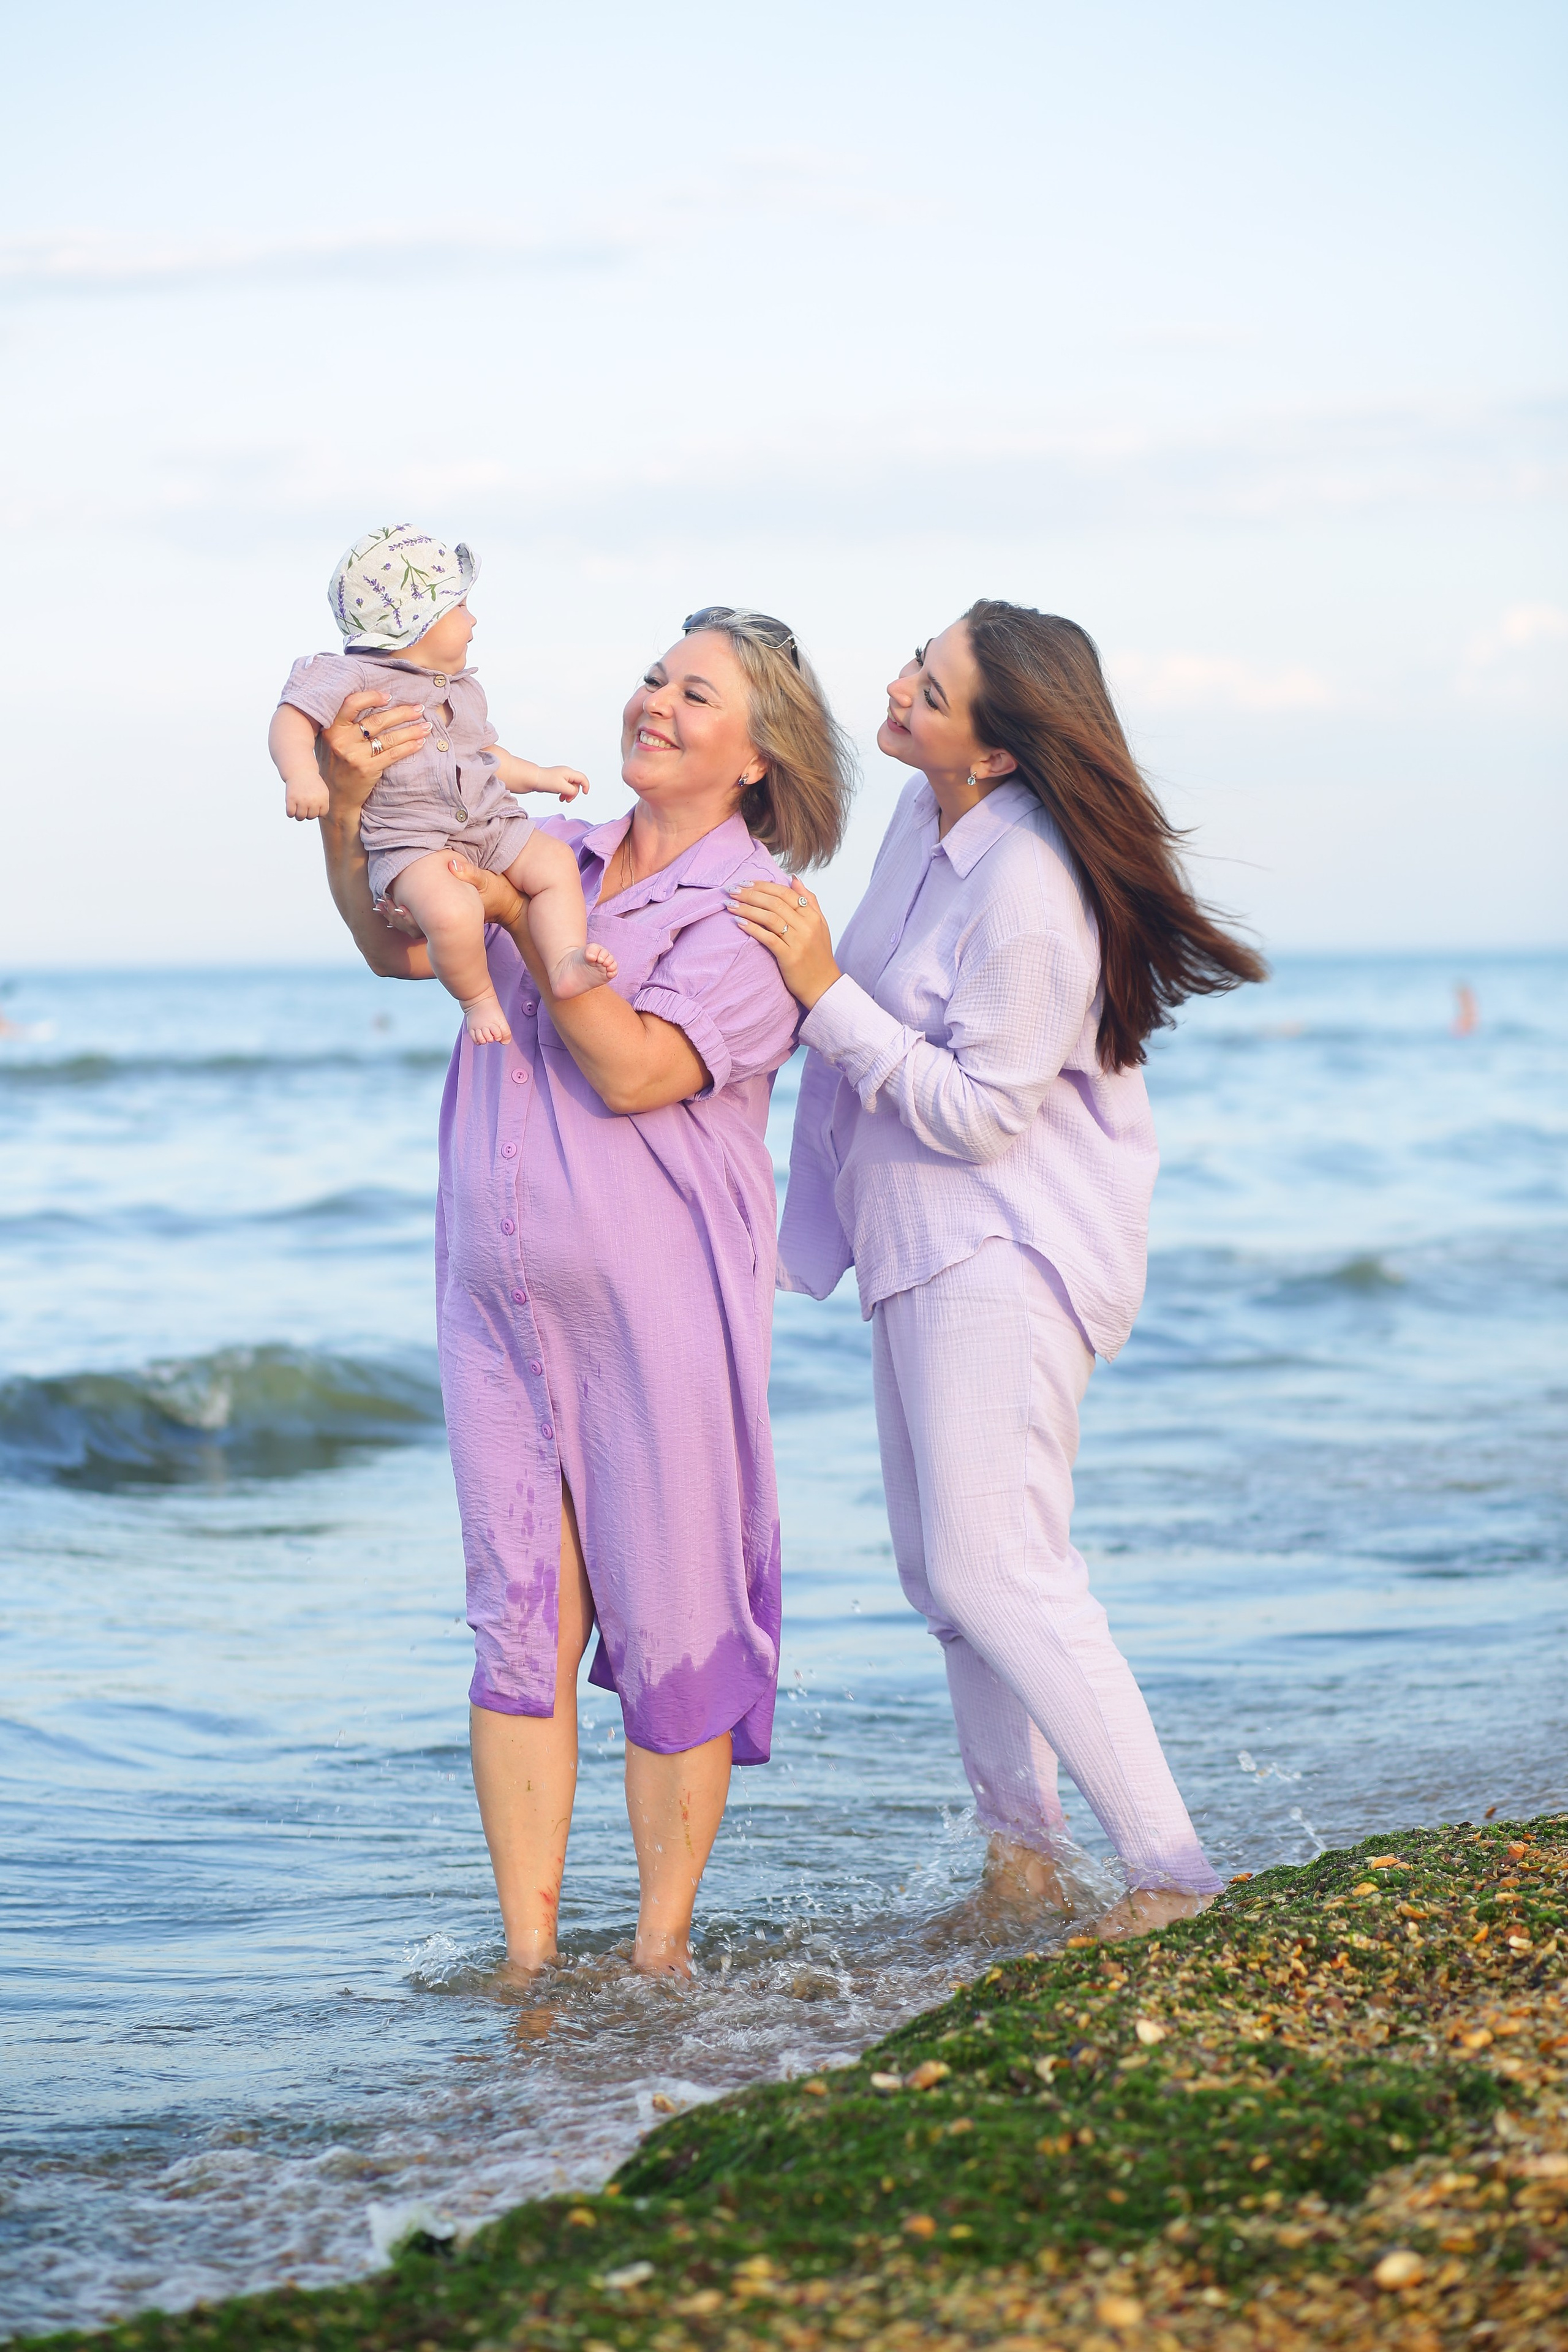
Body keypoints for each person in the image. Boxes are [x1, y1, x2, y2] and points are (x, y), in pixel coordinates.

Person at [316, 606, 853, 1975]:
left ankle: (658, 1960)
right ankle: (529, 1966)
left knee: (674, 1623)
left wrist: (516, 916)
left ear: (758, 757)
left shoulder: (758, 914)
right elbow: (394, 946)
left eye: (696, 694)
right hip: (492, 1301)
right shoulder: (545, 846)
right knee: (517, 1624)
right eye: (652, 679)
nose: (654, 705)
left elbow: (631, 1069)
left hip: (658, 1313)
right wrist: (352, 808)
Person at [730, 600, 1265, 1934]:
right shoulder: (925, 816)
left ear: (1000, 752)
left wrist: (820, 994)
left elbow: (981, 1112)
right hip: (911, 1241)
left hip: (1006, 1248)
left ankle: (1173, 1874)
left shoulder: (1030, 890)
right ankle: (1021, 1858)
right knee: (941, 1573)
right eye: (918, 655)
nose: (900, 684)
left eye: (934, 683)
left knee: (999, 1568)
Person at [271, 524, 614, 1043]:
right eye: (460, 607)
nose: (473, 619)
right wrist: (301, 773)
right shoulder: (350, 675)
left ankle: (565, 960)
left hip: (489, 826)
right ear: (414, 622)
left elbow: (485, 755)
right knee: (454, 912)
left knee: (555, 863)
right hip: (413, 844)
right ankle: (477, 1001)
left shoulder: (464, 689)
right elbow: (292, 717)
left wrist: (539, 777)